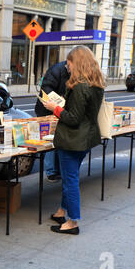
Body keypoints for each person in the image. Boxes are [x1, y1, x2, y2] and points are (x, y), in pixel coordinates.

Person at [43, 46, 105, 235]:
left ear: (76, 63)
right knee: (71, 176)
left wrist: (55, 108)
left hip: (73, 140)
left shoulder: (79, 86)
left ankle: (73, 222)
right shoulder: (96, 84)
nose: (67, 67)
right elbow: (84, 113)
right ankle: (62, 211)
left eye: (69, 63)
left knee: (70, 180)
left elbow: (73, 118)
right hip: (85, 139)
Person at [35, 61, 70, 182]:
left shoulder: (70, 70)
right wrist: (60, 98)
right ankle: (51, 171)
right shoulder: (56, 70)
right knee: (50, 139)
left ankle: (57, 170)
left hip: (58, 108)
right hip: (46, 109)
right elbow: (46, 88)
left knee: (58, 138)